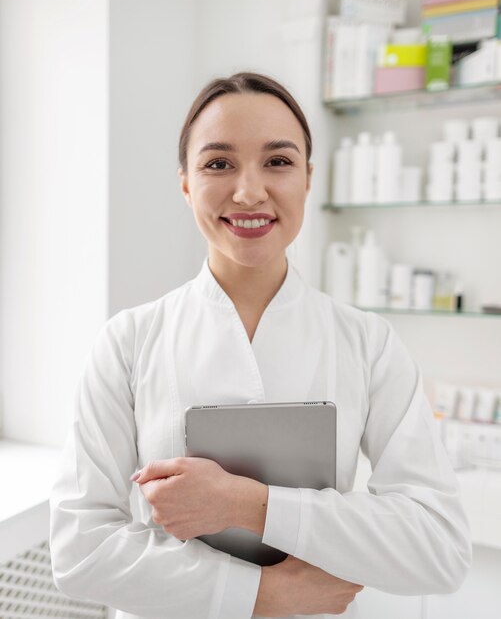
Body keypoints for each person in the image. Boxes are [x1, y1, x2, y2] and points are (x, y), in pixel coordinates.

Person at [49, 72, 471, 619]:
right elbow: (79, 552)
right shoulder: (128, 342)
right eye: (218, 163)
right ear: (185, 183)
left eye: (278, 161)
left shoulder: (368, 343)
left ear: (308, 179)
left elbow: (439, 549)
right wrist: (263, 596)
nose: (249, 191)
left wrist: (248, 504)